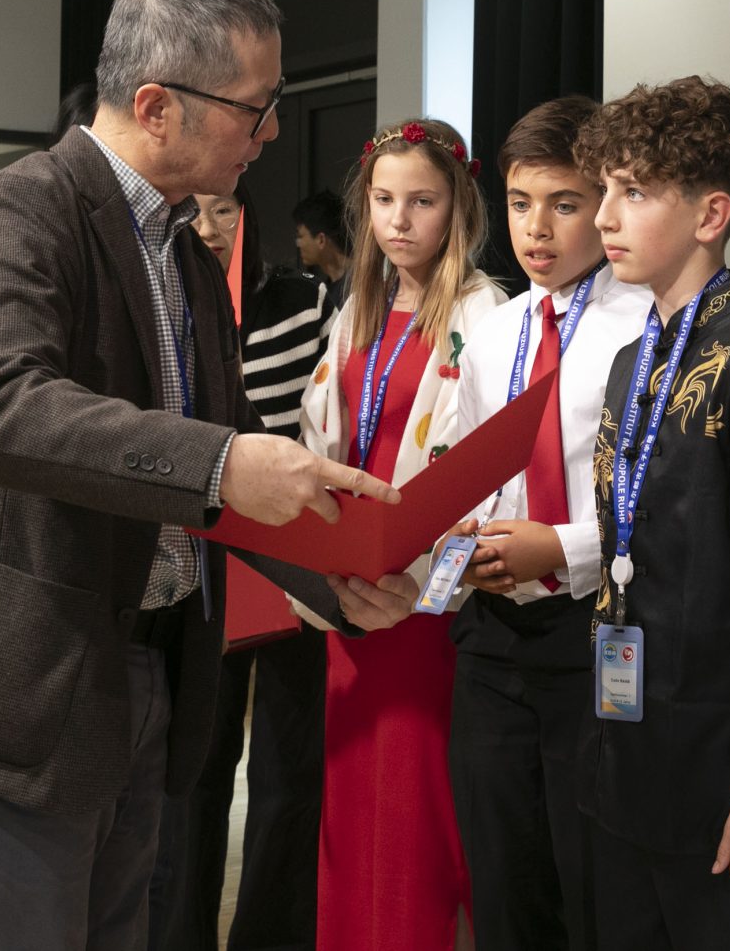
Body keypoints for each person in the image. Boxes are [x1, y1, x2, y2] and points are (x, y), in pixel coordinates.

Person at [0, 0, 418, 951]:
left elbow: (214, 467)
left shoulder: (181, 252)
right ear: (157, 106)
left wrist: (333, 577)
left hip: (147, 679)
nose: (270, 132)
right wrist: (223, 463)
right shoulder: (19, 210)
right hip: (24, 689)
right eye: (255, 107)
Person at [571, 77, 730, 951]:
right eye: (604, 188)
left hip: (726, 778)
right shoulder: (632, 361)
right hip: (627, 761)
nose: (604, 215)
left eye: (634, 191)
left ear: (711, 213)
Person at [438, 96, 653, 951]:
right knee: (501, 875)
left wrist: (561, 547)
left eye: (564, 203)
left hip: (596, 628)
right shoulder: (496, 333)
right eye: (521, 203)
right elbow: (477, 474)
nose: (537, 228)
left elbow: (659, 498)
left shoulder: (646, 325)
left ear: (605, 204)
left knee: (591, 877)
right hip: (493, 637)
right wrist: (465, 536)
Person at [297, 118, 506, 951]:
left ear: (458, 206)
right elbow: (326, 437)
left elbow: (490, 462)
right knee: (350, 807)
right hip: (349, 583)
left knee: (419, 811)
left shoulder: (486, 310)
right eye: (384, 199)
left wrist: (424, 575)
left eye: (422, 200)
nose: (399, 219)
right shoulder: (359, 307)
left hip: (425, 595)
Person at [152, 179, 337, 951]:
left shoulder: (304, 300)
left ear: (249, 216)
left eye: (224, 209)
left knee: (289, 767)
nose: (210, 226)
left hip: (290, 551)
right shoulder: (166, 298)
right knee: (196, 763)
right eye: (193, 211)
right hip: (200, 554)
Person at [292, 189, 351, 304]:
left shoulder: (361, 283)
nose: (298, 243)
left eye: (301, 236)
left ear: (321, 240)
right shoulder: (327, 292)